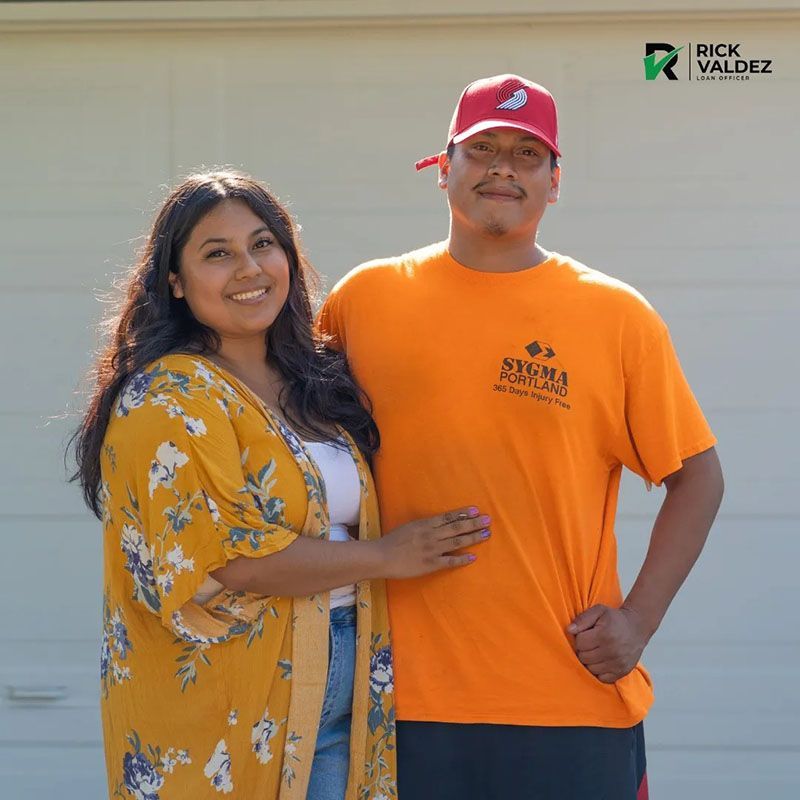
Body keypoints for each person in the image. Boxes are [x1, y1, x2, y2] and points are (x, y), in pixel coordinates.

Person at [317, 75, 725, 799]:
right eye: (483, 149)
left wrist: (638, 621)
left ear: (554, 183)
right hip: (397, 700)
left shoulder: (615, 316)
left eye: (528, 154)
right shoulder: (362, 301)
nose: (503, 167)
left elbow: (698, 476)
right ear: (444, 168)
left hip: (567, 697)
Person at [69, 170, 491, 799]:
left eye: (263, 244)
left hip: (345, 678)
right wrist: (387, 556)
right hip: (234, 709)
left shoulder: (312, 385)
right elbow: (230, 555)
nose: (249, 268)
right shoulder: (170, 396)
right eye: (218, 254)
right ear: (175, 283)